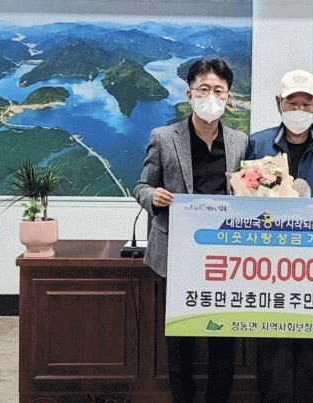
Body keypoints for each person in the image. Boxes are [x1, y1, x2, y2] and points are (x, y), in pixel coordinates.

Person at [133, 56, 248, 403]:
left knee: (222, 339)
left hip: (224, 256)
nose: (211, 97)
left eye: (219, 90)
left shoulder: (240, 141)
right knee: (180, 340)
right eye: (204, 89)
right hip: (178, 254)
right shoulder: (164, 137)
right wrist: (154, 197)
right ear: (189, 94)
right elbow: (141, 186)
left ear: (228, 96)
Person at [246, 69, 313, 403]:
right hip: (270, 263)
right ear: (279, 103)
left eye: (307, 103)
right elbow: (246, 201)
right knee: (272, 345)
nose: (300, 110)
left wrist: (311, 221)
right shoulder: (259, 143)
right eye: (293, 102)